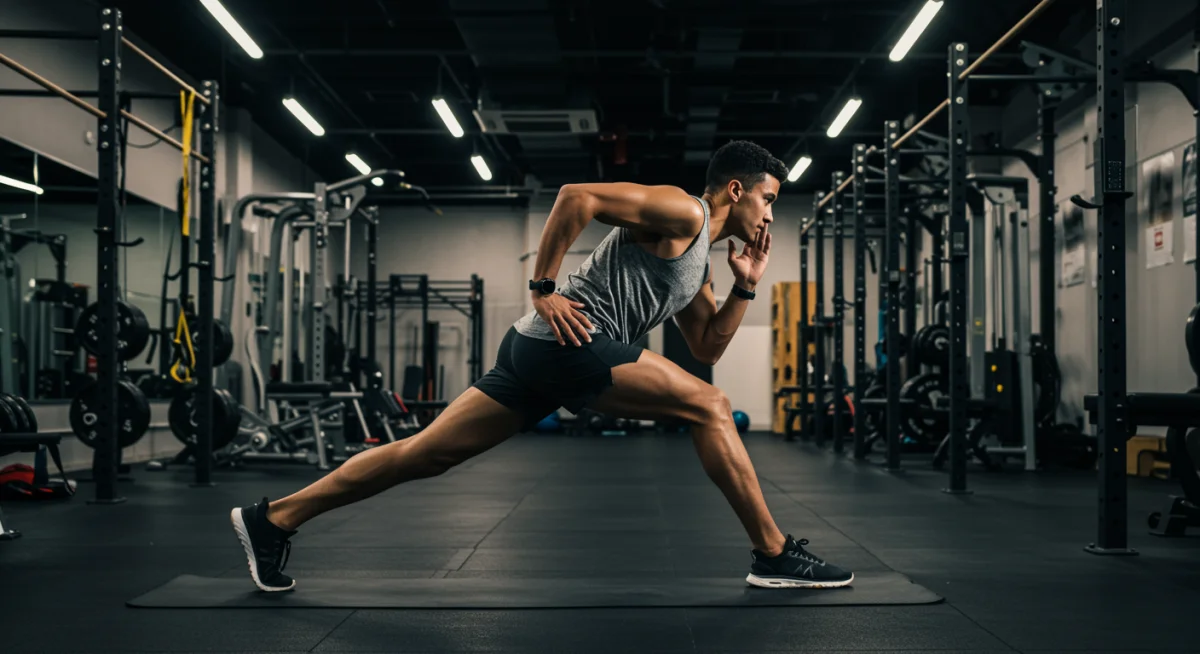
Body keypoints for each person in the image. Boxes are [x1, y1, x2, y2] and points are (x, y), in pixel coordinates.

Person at [230, 140, 854, 592]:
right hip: (565, 338)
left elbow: (708, 349)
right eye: (769, 199)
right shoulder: (685, 212)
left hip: (538, 350)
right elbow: (575, 197)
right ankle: (772, 553)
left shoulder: (700, 268)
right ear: (737, 190)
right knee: (711, 406)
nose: (771, 214)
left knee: (425, 453)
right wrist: (544, 285)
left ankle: (274, 519)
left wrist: (746, 287)